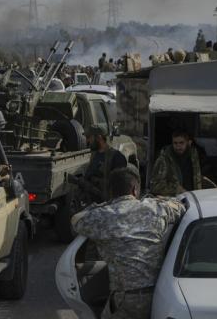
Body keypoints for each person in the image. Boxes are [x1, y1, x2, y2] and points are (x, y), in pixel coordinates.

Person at [72, 166, 185, 319]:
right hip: (160, 296)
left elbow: (76, 219)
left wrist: (105, 204)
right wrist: (154, 199)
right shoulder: (155, 209)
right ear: (134, 190)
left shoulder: (102, 216)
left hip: (125, 300)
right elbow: (179, 206)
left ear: (111, 192)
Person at [82, 125, 128, 202]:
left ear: (99, 138)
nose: (87, 141)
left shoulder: (117, 157)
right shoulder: (94, 155)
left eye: (89, 137)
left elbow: (120, 186)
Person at [150, 130, 202, 196]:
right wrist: (176, 189)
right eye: (175, 143)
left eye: (181, 143)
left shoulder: (193, 155)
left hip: (192, 198)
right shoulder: (164, 158)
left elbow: (197, 180)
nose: (178, 146)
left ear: (188, 142)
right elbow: (154, 186)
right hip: (174, 200)